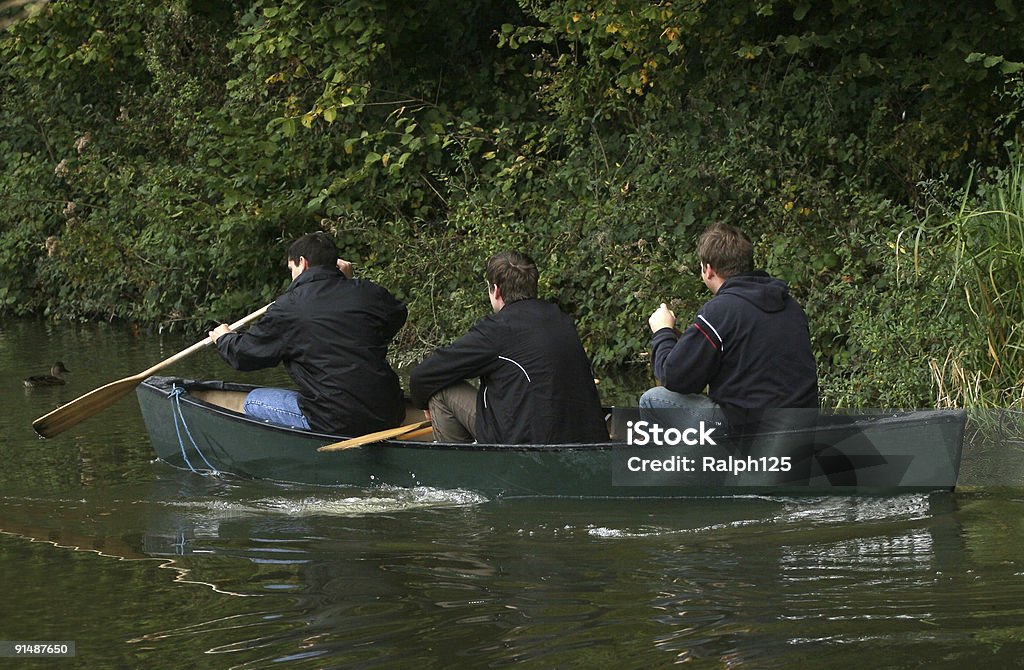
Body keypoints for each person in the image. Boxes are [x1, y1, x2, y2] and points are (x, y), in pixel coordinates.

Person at [209, 232, 407, 435]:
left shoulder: (289, 306)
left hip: (337, 421)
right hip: (390, 412)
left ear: (302, 263)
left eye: (291, 269)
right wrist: (349, 282)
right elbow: (396, 315)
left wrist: (225, 338)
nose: (292, 275)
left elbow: (244, 355)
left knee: (254, 401)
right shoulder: (367, 292)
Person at [409, 250, 609, 444]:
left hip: (529, 447)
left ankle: (460, 471)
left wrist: (422, 403)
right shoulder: (561, 319)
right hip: (585, 441)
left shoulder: (497, 330)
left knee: (440, 391)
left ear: (496, 290)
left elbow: (423, 376)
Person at [641, 222, 818, 432]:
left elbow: (674, 378)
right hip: (802, 428)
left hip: (749, 432)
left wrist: (663, 331)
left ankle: (682, 465)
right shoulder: (790, 306)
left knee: (653, 400)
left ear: (708, 270)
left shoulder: (720, 312)